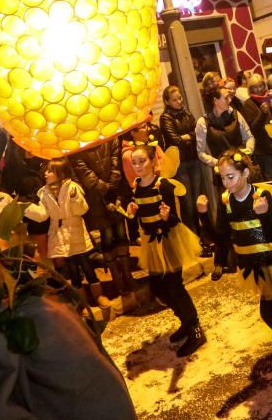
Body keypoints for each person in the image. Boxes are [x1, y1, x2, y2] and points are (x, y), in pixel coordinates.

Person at [197, 150, 272, 391]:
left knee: (269, 310)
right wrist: (202, 217)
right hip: (249, 262)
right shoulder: (225, 201)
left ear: (245, 173)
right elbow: (220, 236)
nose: (226, 183)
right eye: (222, 178)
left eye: (230, 176)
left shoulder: (261, 196)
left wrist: (264, 215)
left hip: (270, 259)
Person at [126, 145, 206, 357]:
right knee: (158, 289)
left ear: (153, 161)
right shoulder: (135, 186)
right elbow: (137, 219)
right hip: (151, 244)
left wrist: (167, 217)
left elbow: (176, 220)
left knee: (174, 286)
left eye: (142, 161)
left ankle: (195, 329)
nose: (137, 166)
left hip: (169, 240)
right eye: (134, 163)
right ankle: (185, 321)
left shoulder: (164, 186)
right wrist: (131, 215)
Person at [25, 158, 110, 310]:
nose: (46, 173)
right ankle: (82, 302)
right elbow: (43, 215)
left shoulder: (72, 187)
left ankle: (98, 295)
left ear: (60, 173)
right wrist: (26, 208)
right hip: (59, 233)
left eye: (50, 171)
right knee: (72, 269)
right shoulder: (44, 192)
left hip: (75, 231)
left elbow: (82, 209)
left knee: (86, 265)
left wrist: (74, 199)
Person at [196, 85, 255, 280]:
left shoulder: (236, 115)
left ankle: (251, 251)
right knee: (225, 215)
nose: (229, 100)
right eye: (225, 97)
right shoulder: (203, 122)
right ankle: (220, 260)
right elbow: (201, 152)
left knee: (248, 210)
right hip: (224, 174)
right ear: (215, 100)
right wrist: (219, 164)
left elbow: (249, 138)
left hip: (241, 170)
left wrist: (244, 154)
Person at [70, 138, 136, 310]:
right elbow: (86, 175)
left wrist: (113, 188)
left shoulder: (110, 138)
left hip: (116, 192)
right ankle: (118, 280)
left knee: (121, 233)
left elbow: (116, 163)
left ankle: (128, 276)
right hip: (96, 199)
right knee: (106, 236)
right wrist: (105, 191)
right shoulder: (78, 148)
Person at [159, 86, 207, 250]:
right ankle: (193, 239)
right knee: (186, 203)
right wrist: (186, 137)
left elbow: (197, 133)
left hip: (193, 159)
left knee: (197, 198)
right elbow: (175, 140)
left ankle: (202, 236)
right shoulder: (165, 117)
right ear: (167, 101)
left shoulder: (186, 113)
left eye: (180, 98)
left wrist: (188, 137)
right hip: (180, 164)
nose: (179, 101)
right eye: (175, 99)